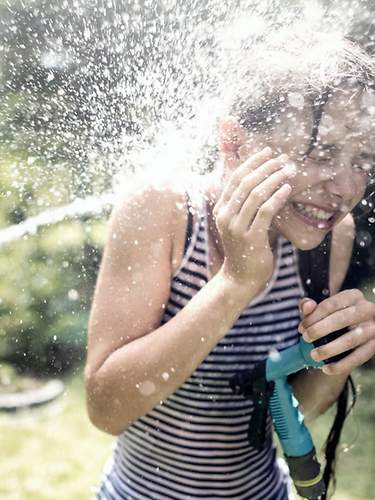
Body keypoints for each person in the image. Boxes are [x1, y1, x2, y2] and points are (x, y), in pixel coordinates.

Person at [85, 30, 375, 499]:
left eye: (363, 160)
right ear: (234, 141)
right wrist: (234, 283)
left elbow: (288, 410)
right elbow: (106, 409)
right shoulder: (164, 213)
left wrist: (335, 358)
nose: (345, 188)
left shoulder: (326, 238)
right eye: (321, 153)